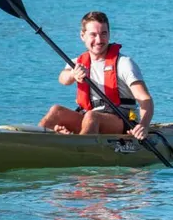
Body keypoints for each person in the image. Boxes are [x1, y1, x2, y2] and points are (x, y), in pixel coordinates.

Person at [39, 11, 153, 141]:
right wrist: (72, 74)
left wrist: (143, 126)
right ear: (83, 36)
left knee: (92, 116)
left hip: (122, 120)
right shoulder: (77, 63)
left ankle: (80, 148)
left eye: (103, 34)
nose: (99, 40)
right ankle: (34, 144)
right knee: (56, 111)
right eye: (93, 34)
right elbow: (63, 78)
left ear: (109, 34)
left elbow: (145, 99)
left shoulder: (124, 63)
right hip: (89, 117)